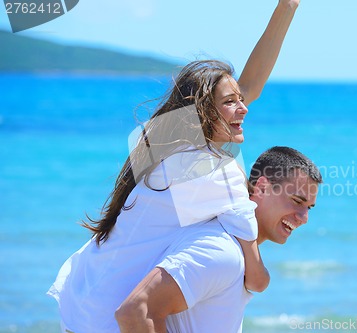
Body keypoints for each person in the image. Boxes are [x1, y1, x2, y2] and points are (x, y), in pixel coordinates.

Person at [47, 1, 301, 332]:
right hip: (108, 317)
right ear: (202, 113)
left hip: (83, 291)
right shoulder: (213, 173)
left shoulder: (162, 142)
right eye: (231, 102)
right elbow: (256, 277)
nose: (244, 107)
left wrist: (288, 6)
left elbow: (249, 87)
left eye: (240, 99)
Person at [116, 146, 322, 333]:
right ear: (262, 188)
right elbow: (136, 311)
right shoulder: (222, 251)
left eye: (309, 208)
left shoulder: (234, 249)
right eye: (297, 201)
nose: (304, 218)